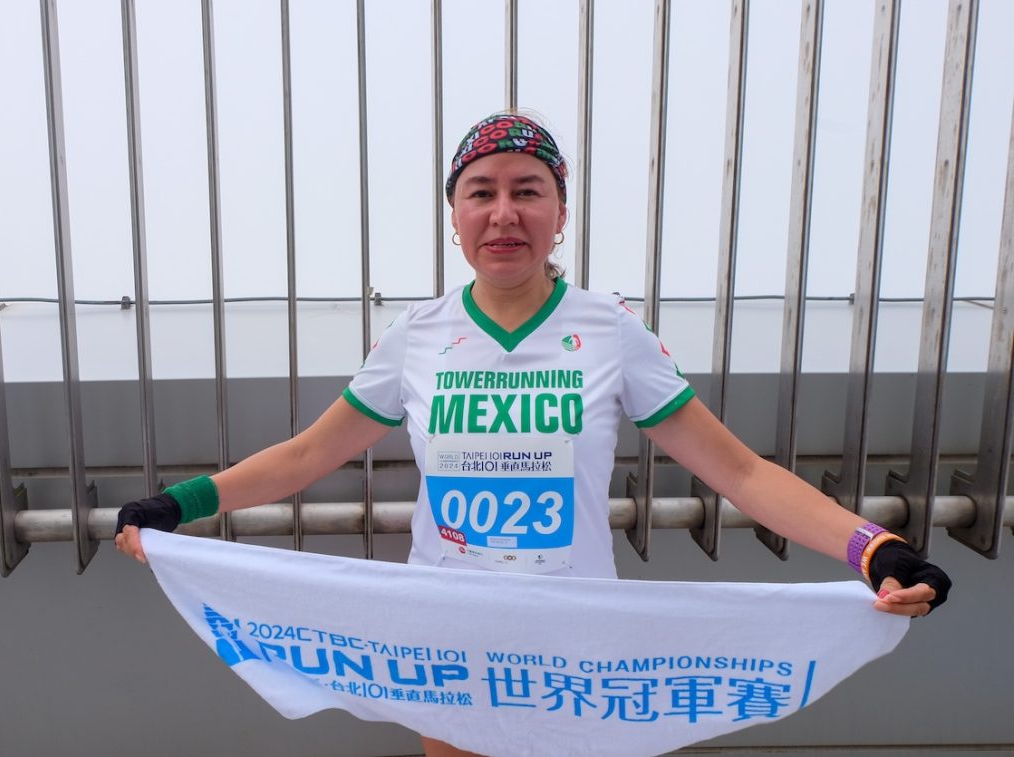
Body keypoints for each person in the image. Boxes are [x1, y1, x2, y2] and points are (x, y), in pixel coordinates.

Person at [115, 111, 951, 757]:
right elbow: (306, 454)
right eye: (481, 191)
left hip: (577, 642)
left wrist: (873, 550)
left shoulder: (610, 329)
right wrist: (175, 504)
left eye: (527, 189)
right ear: (454, 216)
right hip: (449, 635)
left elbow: (737, 470)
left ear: (559, 212)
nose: (504, 211)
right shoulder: (418, 334)